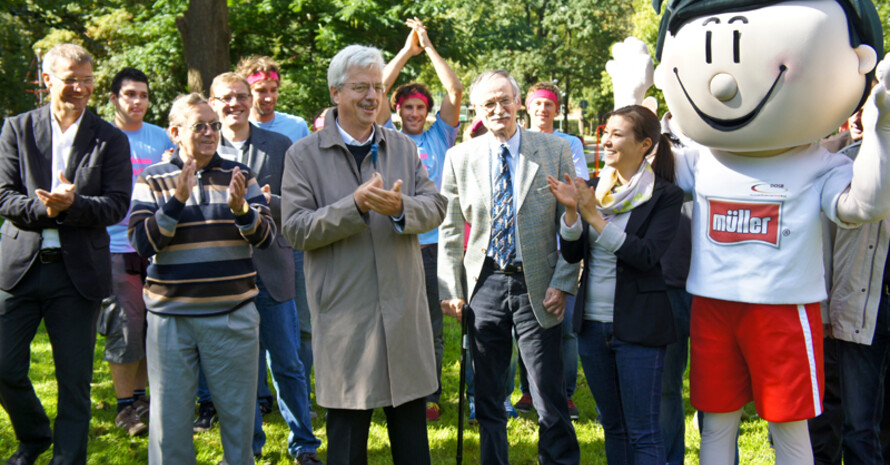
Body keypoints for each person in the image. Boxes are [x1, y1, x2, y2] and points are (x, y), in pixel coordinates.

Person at [609, 0, 890, 462]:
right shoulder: (703, 158)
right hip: (713, 304)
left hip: (783, 308)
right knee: (716, 422)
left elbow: (864, 206)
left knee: (789, 427)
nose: (723, 84)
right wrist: (632, 98)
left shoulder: (820, 164)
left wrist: (880, 132)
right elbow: (639, 168)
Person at [280, 44, 446, 465]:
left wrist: (401, 209)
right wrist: (353, 207)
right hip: (345, 323)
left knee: (413, 448)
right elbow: (296, 229)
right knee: (347, 448)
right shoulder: (303, 155)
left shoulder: (403, 148)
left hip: (402, 318)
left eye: (377, 87)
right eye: (360, 87)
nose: (372, 96)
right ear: (336, 93)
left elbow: (437, 207)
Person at [438, 69, 581, 465]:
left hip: (539, 282)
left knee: (548, 392)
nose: (498, 109)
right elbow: (450, 230)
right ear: (477, 110)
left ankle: (559, 460)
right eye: (488, 103)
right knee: (486, 390)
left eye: (504, 100)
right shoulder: (459, 157)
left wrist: (564, 283)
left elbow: (571, 222)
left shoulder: (553, 149)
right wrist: (451, 289)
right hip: (483, 283)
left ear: (519, 102)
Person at [0, 43, 132, 465]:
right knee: (4, 367)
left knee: (73, 378)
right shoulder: (16, 129)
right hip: (19, 269)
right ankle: (35, 435)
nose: (81, 88)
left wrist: (73, 206)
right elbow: (3, 197)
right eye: (71, 79)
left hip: (78, 275)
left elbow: (115, 204)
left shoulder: (109, 138)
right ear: (47, 80)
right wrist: (46, 207)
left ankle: (68, 457)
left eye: (88, 80)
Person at [129, 92, 275, 465]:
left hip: (233, 315)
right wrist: (176, 202)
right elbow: (143, 243)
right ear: (176, 132)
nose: (211, 132)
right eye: (200, 126)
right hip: (170, 318)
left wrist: (243, 211)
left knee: (239, 419)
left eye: (214, 125)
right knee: (169, 423)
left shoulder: (240, 175)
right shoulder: (153, 178)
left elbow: (266, 237)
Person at [551, 105, 682, 464]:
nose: (606, 140)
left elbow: (645, 255)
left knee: (643, 432)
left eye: (617, 134)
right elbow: (574, 252)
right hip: (592, 327)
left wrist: (593, 215)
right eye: (605, 132)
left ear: (644, 145)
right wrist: (573, 213)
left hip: (639, 327)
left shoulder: (664, 196)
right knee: (614, 427)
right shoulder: (595, 189)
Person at [208, 72, 322, 464]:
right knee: (240, 368)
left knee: (287, 362)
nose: (234, 104)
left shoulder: (279, 145)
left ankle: (304, 444)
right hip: (223, 272)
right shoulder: (205, 146)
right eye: (225, 98)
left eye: (240, 96)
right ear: (212, 102)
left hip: (273, 264)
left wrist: (264, 204)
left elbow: (301, 204)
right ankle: (247, 447)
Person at [376, 16, 463, 422]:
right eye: (407, 107)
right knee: (393, 316)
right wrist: (406, 51)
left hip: (434, 245)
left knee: (430, 320)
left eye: (420, 108)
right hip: (394, 239)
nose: (414, 113)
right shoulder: (385, 137)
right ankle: (394, 387)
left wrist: (427, 48)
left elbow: (455, 89)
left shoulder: (440, 136)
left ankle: (430, 392)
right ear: (397, 111)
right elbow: (379, 88)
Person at [236, 56, 315, 415]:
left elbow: (305, 187)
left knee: (298, 323)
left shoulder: (294, 128)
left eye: (272, 90)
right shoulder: (227, 129)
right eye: (259, 91)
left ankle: (298, 397)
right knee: (247, 327)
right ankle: (258, 397)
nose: (267, 98)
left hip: (285, 241)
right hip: (237, 246)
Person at [100, 66, 174, 437]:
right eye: (130, 95)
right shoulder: (99, 136)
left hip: (158, 245)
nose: (138, 102)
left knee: (151, 327)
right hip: (114, 246)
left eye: (144, 95)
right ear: (114, 98)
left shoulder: (161, 137)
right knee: (126, 326)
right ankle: (124, 406)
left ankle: (144, 400)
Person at [515, 81, 589, 420]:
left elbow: (574, 186)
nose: (542, 109)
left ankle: (565, 392)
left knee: (564, 324)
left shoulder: (568, 143)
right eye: (537, 104)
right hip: (529, 243)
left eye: (548, 105)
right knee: (526, 320)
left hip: (563, 243)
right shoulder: (516, 141)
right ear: (527, 107)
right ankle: (529, 390)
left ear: (556, 110)